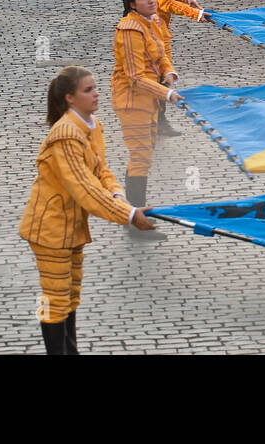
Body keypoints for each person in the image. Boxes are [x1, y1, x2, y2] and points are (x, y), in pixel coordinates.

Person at [19, 66, 158, 354]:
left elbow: (100, 171)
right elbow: (84, 188)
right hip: (50, 229)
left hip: (72, 227)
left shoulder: (91, 126)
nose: (96, 94)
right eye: (88, 90)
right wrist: (129, 216)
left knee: (70, 296)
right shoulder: (66, 136)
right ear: (70, 98)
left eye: (95, 88)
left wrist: (119, 196)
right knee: (55, 300)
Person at [112, 0, 180, 241]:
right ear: (132, 4)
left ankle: (133, 214)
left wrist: (169, 72)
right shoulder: (129, 30)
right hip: (132, 101)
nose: (151, 0)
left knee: (143, 155)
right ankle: (135, 221)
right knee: (140, 156)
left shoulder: (151, 21)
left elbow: (161, 54)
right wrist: (167, 94)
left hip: (146, 99)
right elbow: (134, 77)